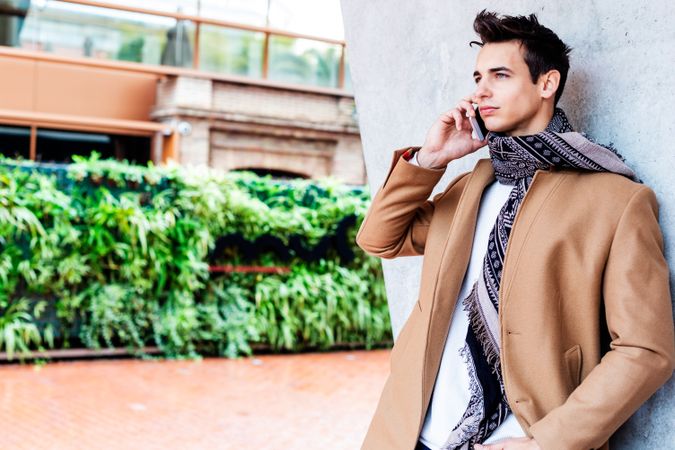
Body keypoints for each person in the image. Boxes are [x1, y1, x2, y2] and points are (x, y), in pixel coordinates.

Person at [356, 10, 674, 450]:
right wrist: (430, 160)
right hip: (414, 433)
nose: (480, 91)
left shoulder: (615, 201)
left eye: (500, 75)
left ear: (547, 84)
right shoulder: (470, 187)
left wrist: (549, 443)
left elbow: (645, 350)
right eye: (478, 76)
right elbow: (380, 239)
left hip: (518, 439)